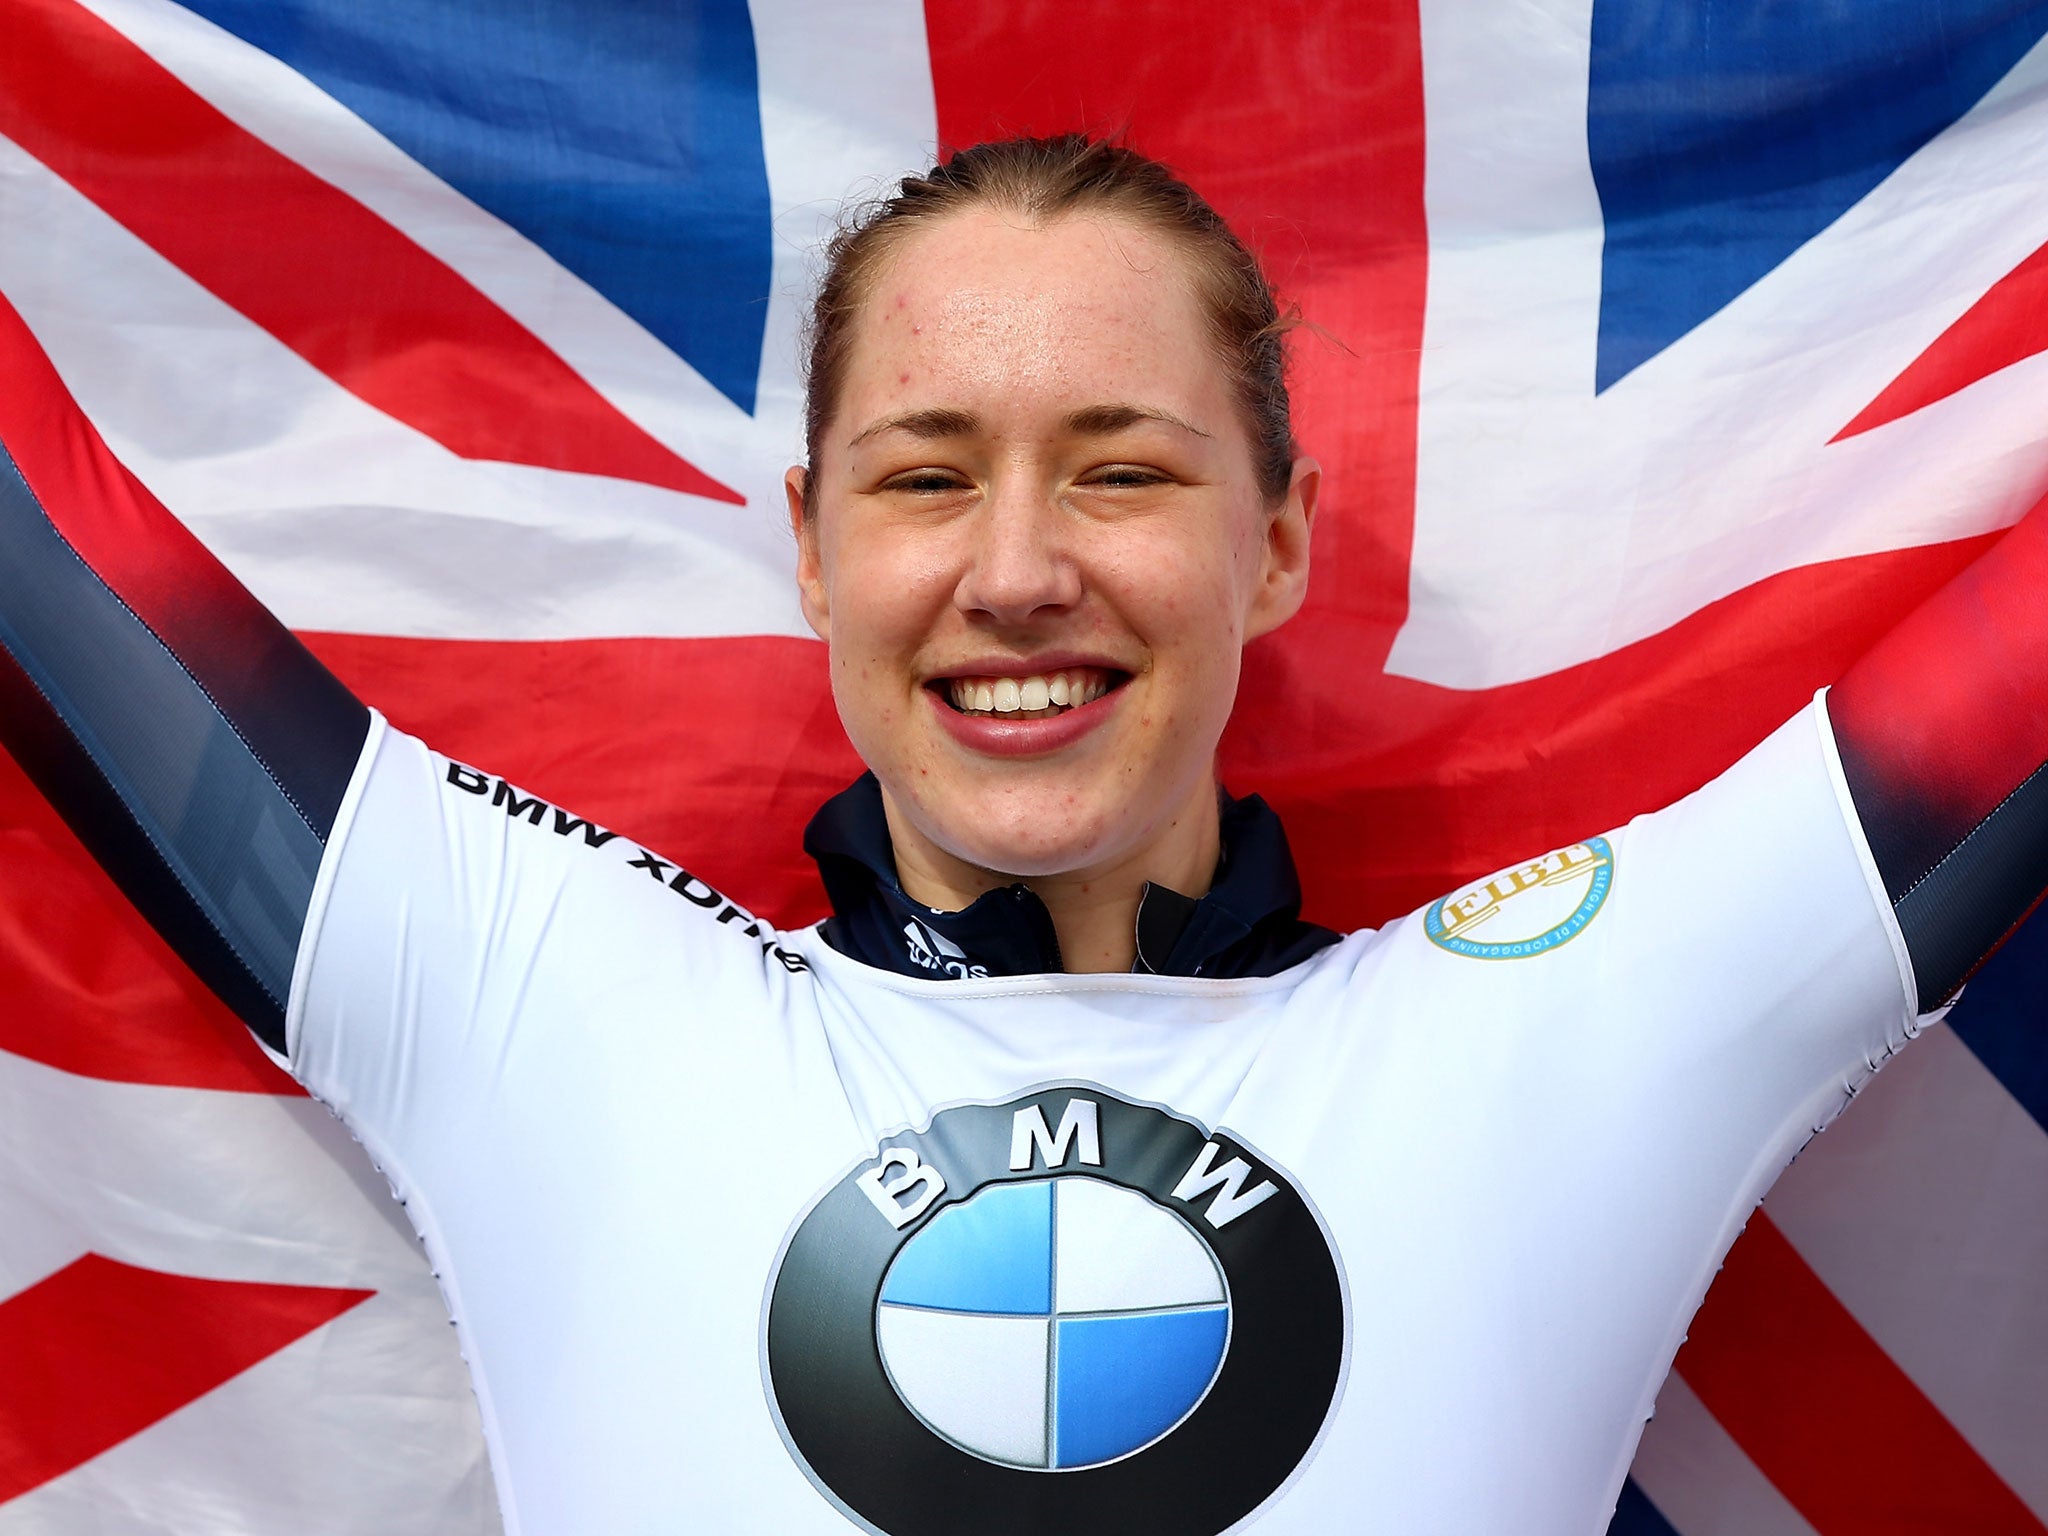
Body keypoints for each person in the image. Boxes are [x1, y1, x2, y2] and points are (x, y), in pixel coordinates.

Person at [0, 134, 2043, 1536]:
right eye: (922, 478)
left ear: (1277, 541)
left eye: (1123, 470)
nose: (1018, 573)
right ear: (809, 548)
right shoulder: (546, 998)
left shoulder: (1572, 1027)